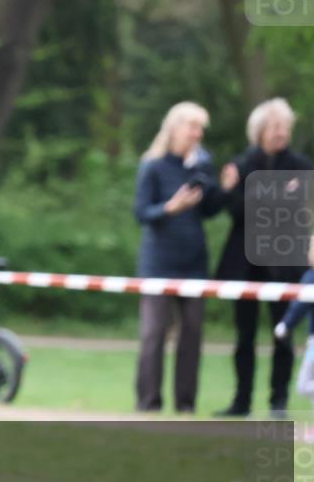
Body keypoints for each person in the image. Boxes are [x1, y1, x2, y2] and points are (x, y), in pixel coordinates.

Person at [132, 102, 236, 413]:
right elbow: (141, 213)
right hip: (159, 263)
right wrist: (169, 208)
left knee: (192, 334)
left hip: (193, 262)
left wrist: (225, 190)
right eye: (192, 127)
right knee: (154, 333)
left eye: (200, 128)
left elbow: (208, 210)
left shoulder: (200, 167)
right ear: (175, 128)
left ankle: (185, 404)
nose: (197, 134)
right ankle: (148, 403)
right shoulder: (153, 166)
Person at [215, 98, 312, 418]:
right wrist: (278, 195)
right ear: (259, 131)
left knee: (282, 331)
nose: (281, 132)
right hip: (245, 262)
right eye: (274, 126)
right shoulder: (241, 165)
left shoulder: (301, 166)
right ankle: (241, 401)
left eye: (285, 126)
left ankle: (278, 402)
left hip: (284, 261)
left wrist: (260, 196)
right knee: (244, 335)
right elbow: (236, 210)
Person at [273, 235, 314, 435]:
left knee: (304, 385)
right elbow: (299, 305)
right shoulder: (309, 276)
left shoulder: (310, 278)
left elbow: (299, 307)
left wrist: (285, 324)